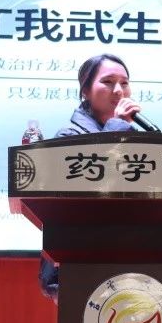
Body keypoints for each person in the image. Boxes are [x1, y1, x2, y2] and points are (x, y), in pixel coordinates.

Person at [39, 54, 144, 301]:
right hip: (78, 265)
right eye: (108, 82)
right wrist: (117, 126)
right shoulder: (68, 136)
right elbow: (94, 183)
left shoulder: (134, 139)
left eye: (124, 83)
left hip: (130, 262)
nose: (119, 90)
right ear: (85, 90)